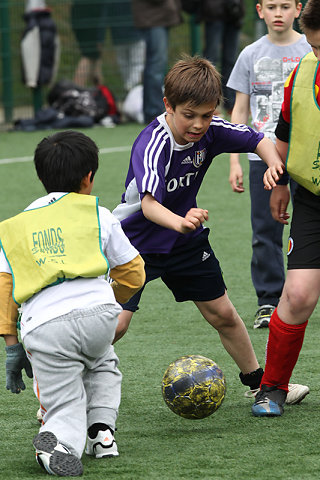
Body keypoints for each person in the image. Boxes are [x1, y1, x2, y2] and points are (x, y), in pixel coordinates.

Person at [111, 55, 308, 404]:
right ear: (168, 106)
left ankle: (260, 383)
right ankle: (65, 390)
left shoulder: (211, 130)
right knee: (115, 325)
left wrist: (275, 166)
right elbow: (149, 205)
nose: (199, 124)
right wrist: (181, 221)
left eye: (207, 114)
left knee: (224, 314)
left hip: (184, 242)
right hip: (134, 244)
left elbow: (256, 138)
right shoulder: (154, 142)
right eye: (189, 115)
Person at [0, 131, 145, 476]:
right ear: (88, 178)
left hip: (45, 325)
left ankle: (56, 443)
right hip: (98, 315)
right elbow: (134, 271)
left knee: (64, 401)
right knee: (104, 364)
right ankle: (102, 433)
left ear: (40, 176)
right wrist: (110, 302)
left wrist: (10, 344)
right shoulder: (98, 213)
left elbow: (5, 286)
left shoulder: (14, 227)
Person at [251, 0, 320, 417]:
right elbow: (285, 133)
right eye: (313, 46)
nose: (316, 55)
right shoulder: (304, 71)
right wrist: (280, 183)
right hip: (311, 199)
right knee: (296, 294)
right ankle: (272, 388)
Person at [227, 0, 311, 329]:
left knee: (309, 227)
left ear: (298, 9)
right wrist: (234, 160)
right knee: (265, 231)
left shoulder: (311, 48)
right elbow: (239, 111)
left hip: (304, 154)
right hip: (262, 155)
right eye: (272, 6)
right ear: (260, 10)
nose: (279, 13)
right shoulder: (250, 54)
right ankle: (269, 300)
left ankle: (305, 293)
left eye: (285, 6)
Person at [131, 0, 182, 124]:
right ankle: (153, 112)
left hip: (158, 17)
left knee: (156, 66)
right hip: (152, 18)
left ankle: (152, 111)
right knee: (155, 67)